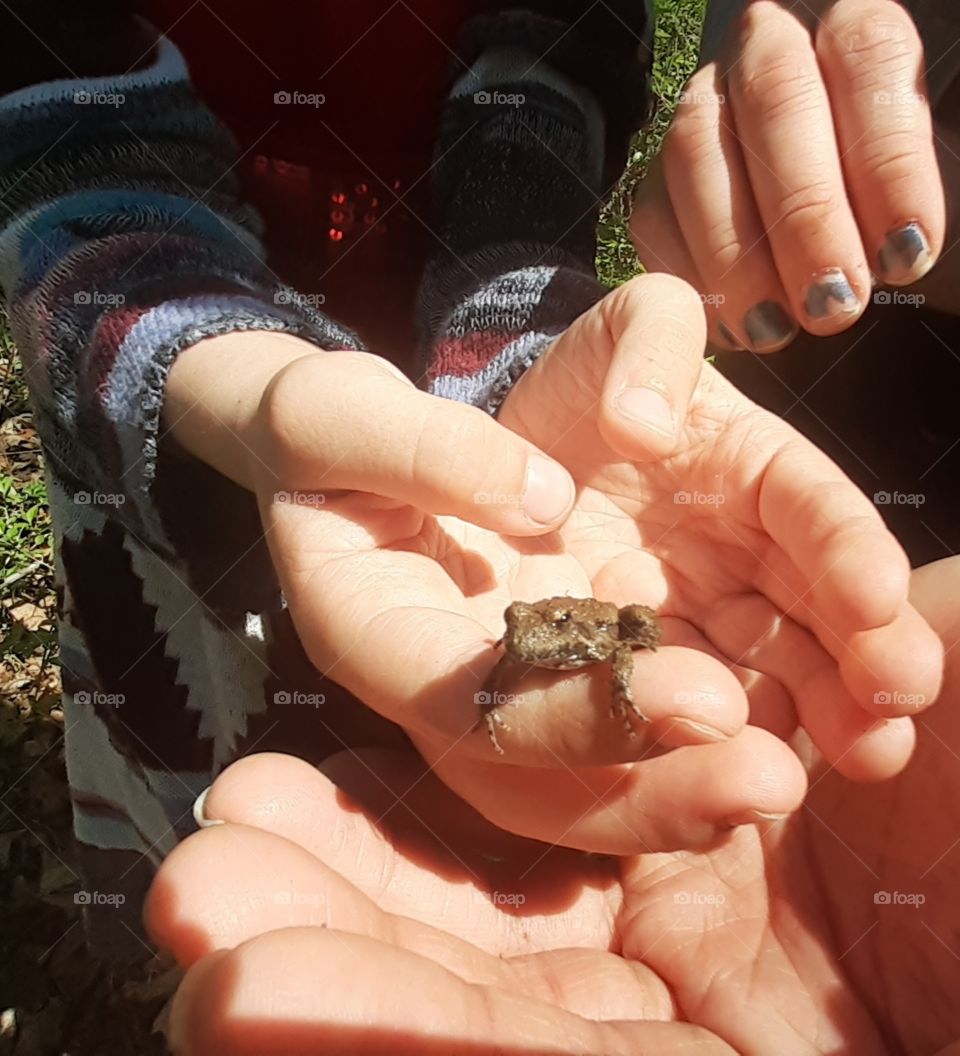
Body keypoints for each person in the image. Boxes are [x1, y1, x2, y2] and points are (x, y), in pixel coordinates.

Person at [0, 0, 947, 1041]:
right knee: (207, 809)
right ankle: (147, 939)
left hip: (489, 535)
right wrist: (223, 383)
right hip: (177, 499)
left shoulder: (611, 631)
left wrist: (519, 365)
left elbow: (548, 92)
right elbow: (55, 129)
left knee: (508, 794)